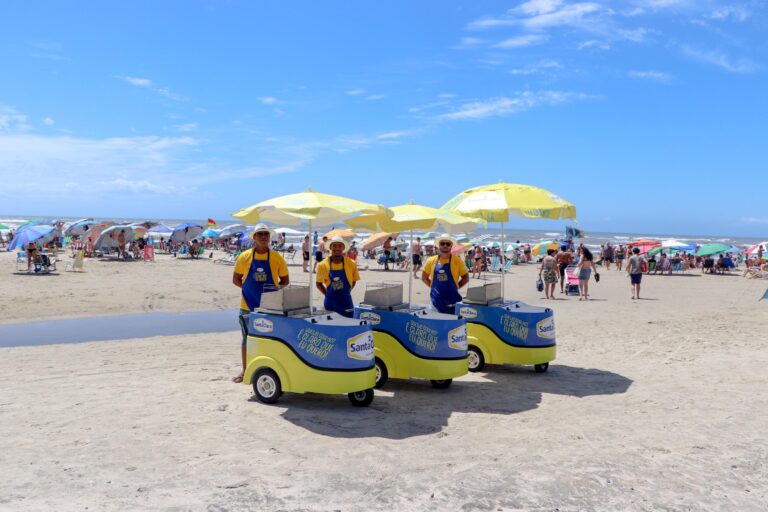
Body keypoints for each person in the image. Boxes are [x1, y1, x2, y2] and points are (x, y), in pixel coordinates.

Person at [232, 224, 290, 383]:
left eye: (266, 234)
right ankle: (245, 371)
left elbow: (285, 280)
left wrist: (274, 292)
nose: (264, 237)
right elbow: (236, 278)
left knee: (271, 340)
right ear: (254, 237)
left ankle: (272, 370)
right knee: (247, 339)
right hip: (247, 307)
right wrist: (248, 290)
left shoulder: (277, 257)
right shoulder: (244, 257)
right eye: (260, 234)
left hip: (270, 308)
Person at [421, 235, 470, 314]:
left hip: (453, 301)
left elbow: (466, 277)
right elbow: (424, 277)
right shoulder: (431, 260)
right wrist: (434, 287)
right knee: (435, 324)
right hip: (436, 302)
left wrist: (456, 287)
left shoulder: (457, 261)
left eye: (448, 244)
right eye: (442, 243)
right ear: (439, 246)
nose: (445, 245)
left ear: (451, 246)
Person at [316, 236, 360, 318]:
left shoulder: (351, 263)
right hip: (330, 302)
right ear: (330, 247)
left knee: (349, 325)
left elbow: (354, 280)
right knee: (331, 327)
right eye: (334, 245)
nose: (337, 248)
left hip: (346, 301)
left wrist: (347, 292)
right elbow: (318, 284)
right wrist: (328, 295)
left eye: (340, 246)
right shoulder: (322, 265)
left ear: (343, 248)